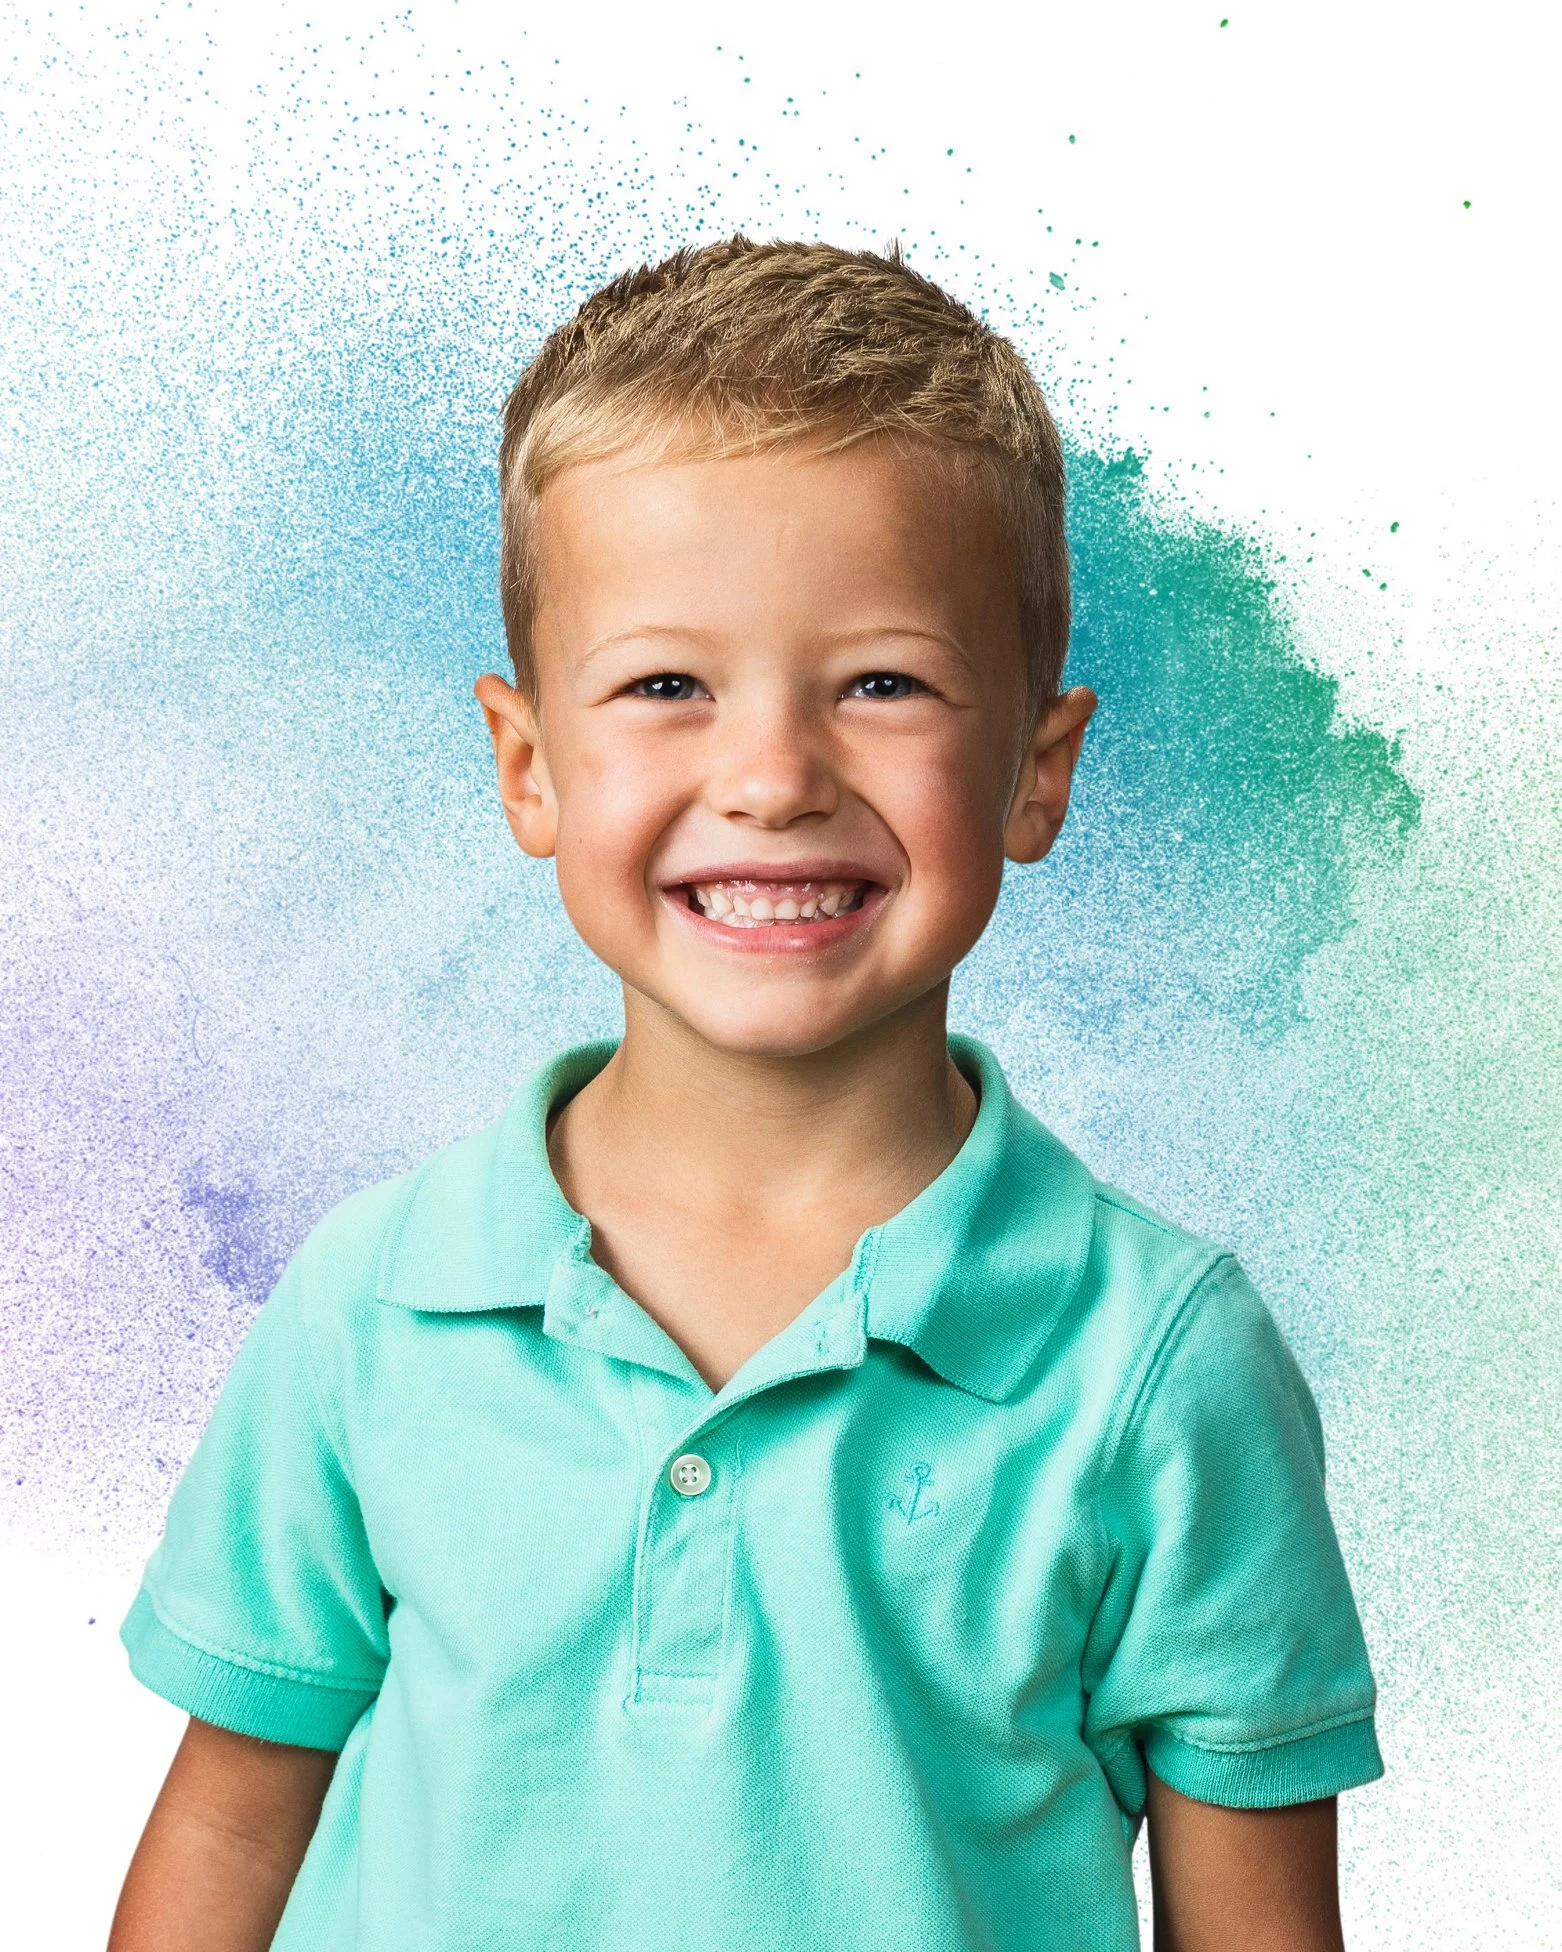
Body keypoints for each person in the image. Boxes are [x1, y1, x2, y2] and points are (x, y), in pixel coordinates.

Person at [109, 236, 1382, 1952]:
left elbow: (1253, 1933)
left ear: (1035, 768)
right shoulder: (374, 1306)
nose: (772, 777)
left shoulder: (1155, 1361)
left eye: (882, 683)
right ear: (528, 765)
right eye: (664, 687)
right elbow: (229, 1834)